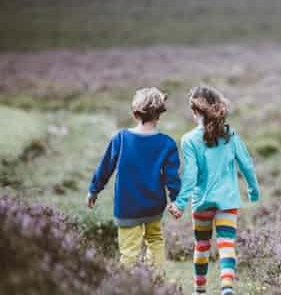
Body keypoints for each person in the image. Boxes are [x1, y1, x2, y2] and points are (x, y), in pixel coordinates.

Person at [169, 86, 260, 295]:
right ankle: (227, 288)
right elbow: (246, 164)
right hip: (228, 202)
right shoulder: (230, 135)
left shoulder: (189, 140)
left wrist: (180, 203)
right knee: (226, 244)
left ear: (195, 112)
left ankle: (199, 291)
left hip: (201, 202)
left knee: (201, 245)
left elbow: (190, 176)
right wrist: (253, 189)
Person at [87, 87, 181, 273]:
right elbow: (172, 178)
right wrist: (177, 200)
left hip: (127, 206)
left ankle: (128, 284)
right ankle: (155, 281)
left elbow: (105, 167)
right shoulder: (167, 143)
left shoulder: (121, 139)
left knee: (129, 251)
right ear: (160, 114)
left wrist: (94, 189)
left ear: (135, 114)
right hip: (154, 206)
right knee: (155, 241)